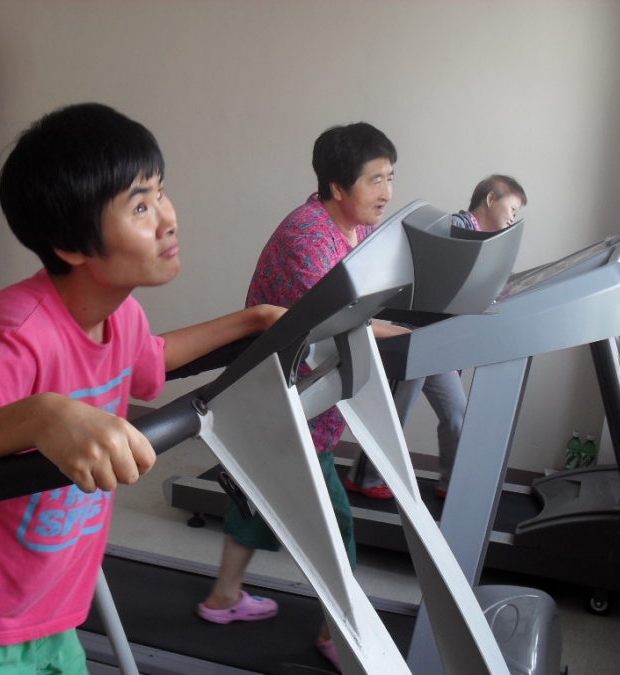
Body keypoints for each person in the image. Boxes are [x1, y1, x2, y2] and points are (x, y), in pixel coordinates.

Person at [0, 102, 285, 675]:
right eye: (140, 206)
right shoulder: (21, 336)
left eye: (161, 193)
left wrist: (254, 320)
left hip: (54, 615)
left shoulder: (122, 315)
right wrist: (41, 416)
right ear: (71, 244)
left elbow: (152, 361)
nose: (168, 219)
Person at [196, 122, 409, 673]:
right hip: (281, 399)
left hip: (305, 394)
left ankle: (223, 596)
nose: (387, 191)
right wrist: (410, 333)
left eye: (390, 177)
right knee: (336, 523)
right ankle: (340, 635)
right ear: (338, 187)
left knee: (258, 495)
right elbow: (337, 320)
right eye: (375, 180)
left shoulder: (354, 229)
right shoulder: (306, 238)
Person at [347, 174, 527, 499]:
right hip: (412, 333)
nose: (513, 217)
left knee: (456, 412)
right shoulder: (454, 228)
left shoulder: (485, 245)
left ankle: (451, 483)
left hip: (438, 340)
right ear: (490, 199)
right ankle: (364, 478)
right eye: (512, 208)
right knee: (396, 410)